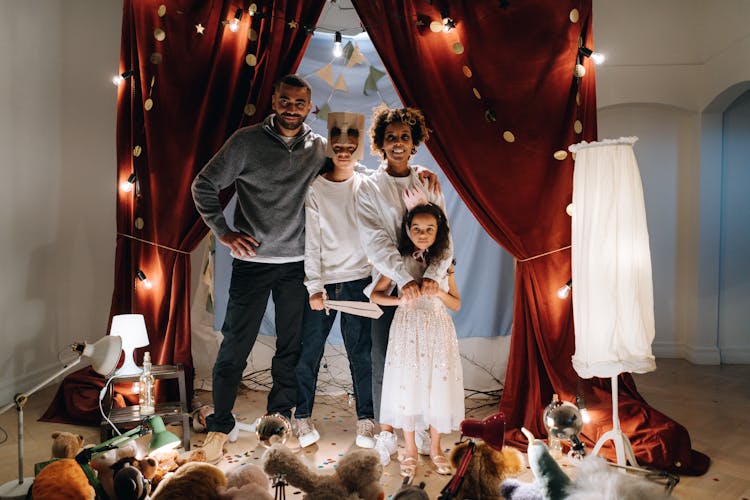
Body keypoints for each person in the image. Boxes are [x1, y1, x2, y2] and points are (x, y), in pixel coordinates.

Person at [191, 74, 326, 463]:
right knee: (235, 345)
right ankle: (220, 423)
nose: (291, 109)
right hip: (252, 264)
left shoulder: (318, 148)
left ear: (309, 106)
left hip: (298, 266)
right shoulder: (246, 141)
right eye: (285, 100)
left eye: (300, 103)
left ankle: (278, 419)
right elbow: (204, 184)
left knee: (291, 347)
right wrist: (225, 233)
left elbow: (349, 178)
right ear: (274, 99)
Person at [356, 105, 454, 466]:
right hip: (390, 280)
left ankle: (423, 424)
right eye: (391, 137)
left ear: (415, 144)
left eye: (405, 138)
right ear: (381, 143)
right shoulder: (369, 187)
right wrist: (404, 278)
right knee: (386, 357)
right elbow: (375, 241)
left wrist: (432, 275)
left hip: (427, 285)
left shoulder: (426, 181)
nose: (398, 143)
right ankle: (387, 432)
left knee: (426, 360)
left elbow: (444, 235)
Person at [294, 112, 376, 449]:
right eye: (338, 145)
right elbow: (312, 240)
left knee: (361, 353)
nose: (343, 150)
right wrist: (314, 286)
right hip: (325, 285)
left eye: (350, 146)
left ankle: (366, 420)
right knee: (309, 351)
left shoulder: (368, 184)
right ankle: (302, 416)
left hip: (359, 282)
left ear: (358, 148)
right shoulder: (316, 188)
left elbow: (397, 180)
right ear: (331, 146)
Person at [370, 201, 464, 478]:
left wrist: (438, 293)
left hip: (437, 328)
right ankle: (409, 448)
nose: (422, 234)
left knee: (437, 386)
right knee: (407, 385)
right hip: (407, 329)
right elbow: (375, 295)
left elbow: (456, 304)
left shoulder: (445, 263)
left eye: (429, 229)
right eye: (416, 228)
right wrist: (399, 299)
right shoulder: (398, 261)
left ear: (439, 232)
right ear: (408, 231)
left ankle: (435, 448)